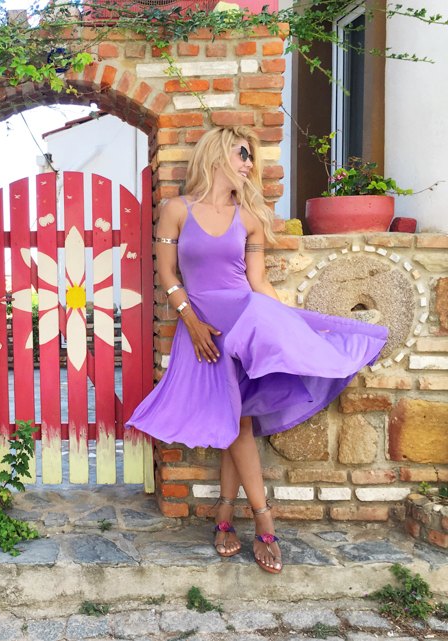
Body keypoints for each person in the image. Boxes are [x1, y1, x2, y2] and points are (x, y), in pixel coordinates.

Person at [126, 126, 388, 574]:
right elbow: (168, 275)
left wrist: (292, 327)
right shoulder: (176, 210)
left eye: (251, 157)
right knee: (236, 422)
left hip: (246, 322)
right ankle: (248, 518)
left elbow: (258, 282)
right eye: (242, 154)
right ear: (216, 155)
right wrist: (191, 321)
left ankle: (238, 518)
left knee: (239, 422)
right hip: (202, 327)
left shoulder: (248, 218)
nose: (249, 164)